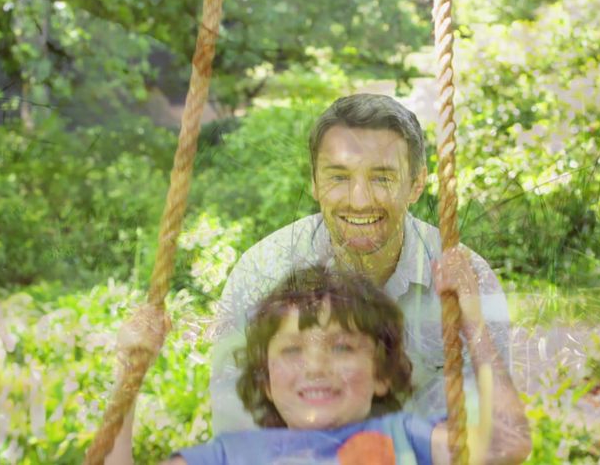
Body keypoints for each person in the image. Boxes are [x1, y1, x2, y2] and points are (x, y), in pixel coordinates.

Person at [210, 94, 513, 433]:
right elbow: (235, 427)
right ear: (313, 181)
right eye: (338, 177)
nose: (359, 200)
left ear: (416, 183)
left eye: (382, 177)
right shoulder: (262, 274)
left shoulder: (468, 279)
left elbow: (495, 431)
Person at [107, 250, 530, 465]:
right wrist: (128, 376)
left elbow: (505, 446)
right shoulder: (232, 456)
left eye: (342, 346)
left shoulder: (406, 436)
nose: (315, 366)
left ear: (382, 375)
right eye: (292, 350)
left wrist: (470, 317)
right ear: (267, 381)